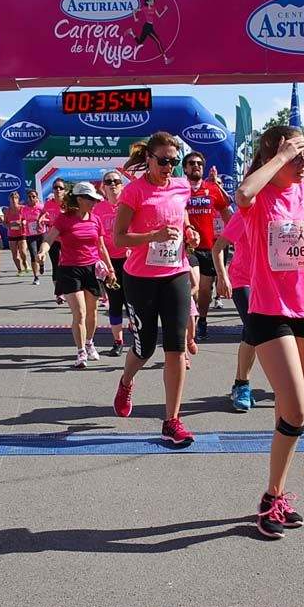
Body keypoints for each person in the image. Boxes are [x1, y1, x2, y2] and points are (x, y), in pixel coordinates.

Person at [234, 126, 304, 539]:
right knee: (296, 409)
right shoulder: (261, 195)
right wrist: (280, 158)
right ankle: (268, 499)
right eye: (297, 154)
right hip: (270, 310)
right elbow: (242, 195)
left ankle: (276, 494)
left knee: (290, 409)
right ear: (275, 153)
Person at [112, 132, 200, 446]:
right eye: (163, 161)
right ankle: (126, 381)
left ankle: (172, 420)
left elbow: (182, 216)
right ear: (148, 158)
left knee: (176, 347)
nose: (169, 167)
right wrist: (153, 236)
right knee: (145, 347)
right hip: (139, 279)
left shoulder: (181, 186)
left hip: (175, 273)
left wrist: (189, 232)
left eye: (174, 162)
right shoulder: (133, 192)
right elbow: (119, 238)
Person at [41, 182, 114, 368]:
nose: (94, 202)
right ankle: (81, 351)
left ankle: (89, 342)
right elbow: (48, 239)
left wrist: (110, 269)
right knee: (79, 312)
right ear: (79, 199)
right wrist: (42, 252)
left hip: (92, 270)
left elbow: (101, 247)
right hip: (70, 270)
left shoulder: (95, 219)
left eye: (95, 199)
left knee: (92, 313)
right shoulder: (64, 219)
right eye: (90, 199)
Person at [183, 153, 232, 342]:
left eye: (199, 164)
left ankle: (201, 320)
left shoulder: (211, 188)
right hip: (188, 248)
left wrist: (237, 237)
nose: (196, 166)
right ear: (185, 168)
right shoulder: (179, 189)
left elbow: (226, 213)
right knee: (193, 285)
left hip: (210, 247)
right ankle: (188, 321)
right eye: (191, 163)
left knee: (204, 290)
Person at [213, 209, 257, 411]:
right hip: (242, 280)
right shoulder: (245, 214)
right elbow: (218, 247)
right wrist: (222, 277)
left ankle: (240, 384)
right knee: (255, 330)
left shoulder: (282, 210)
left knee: (251, 334)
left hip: (269, 283)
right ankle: (242, 385)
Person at [95, 171, 129, 355]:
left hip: (131, 261)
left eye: (117, 181)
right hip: (110, 262)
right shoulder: (98, 209)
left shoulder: (130, 206)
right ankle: (118, 342)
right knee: (115, 302)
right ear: (103, 187)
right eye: (109, 182)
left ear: (122, 185)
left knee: (133, 302)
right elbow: (96, 239)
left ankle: (138, 336)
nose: (113, 184)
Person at [44, 180, 67, 302]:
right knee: (56, 264)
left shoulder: (68, 203)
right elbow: (43, 215)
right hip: (53, 239)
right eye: (55, 187)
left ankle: (66, 290)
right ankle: (59, 293)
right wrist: (42, 221)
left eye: (61, 188)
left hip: (66, 240)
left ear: (65, 190)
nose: (58, 190)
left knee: (65, 266)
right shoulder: (48, 204)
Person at [20, 189, 47, 286]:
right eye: (29, 197)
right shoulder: (24, 208)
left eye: (33, 197)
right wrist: (22, 222)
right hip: (30, 234)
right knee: (33, 254)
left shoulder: (41, 207)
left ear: (37, 198)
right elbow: (22, 219)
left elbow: (46, 215)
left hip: (41, 233)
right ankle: (36, 277)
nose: (31, 199)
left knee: (41, 253)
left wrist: (41, 219)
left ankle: (42, 264)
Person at [4, 191, 29, 275]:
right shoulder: (7, 211)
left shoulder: (22, 208)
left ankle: (25, 263)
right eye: (12, 198)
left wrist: (23, 222)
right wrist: (10, 225)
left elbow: (26, 219)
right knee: (14, 254)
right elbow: (4, 223)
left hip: (22, 233)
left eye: (15, 198)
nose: (14, 200)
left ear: (18, 199)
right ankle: (19, 269)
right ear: (9, 200)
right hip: (12, 234)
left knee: (23, 252)